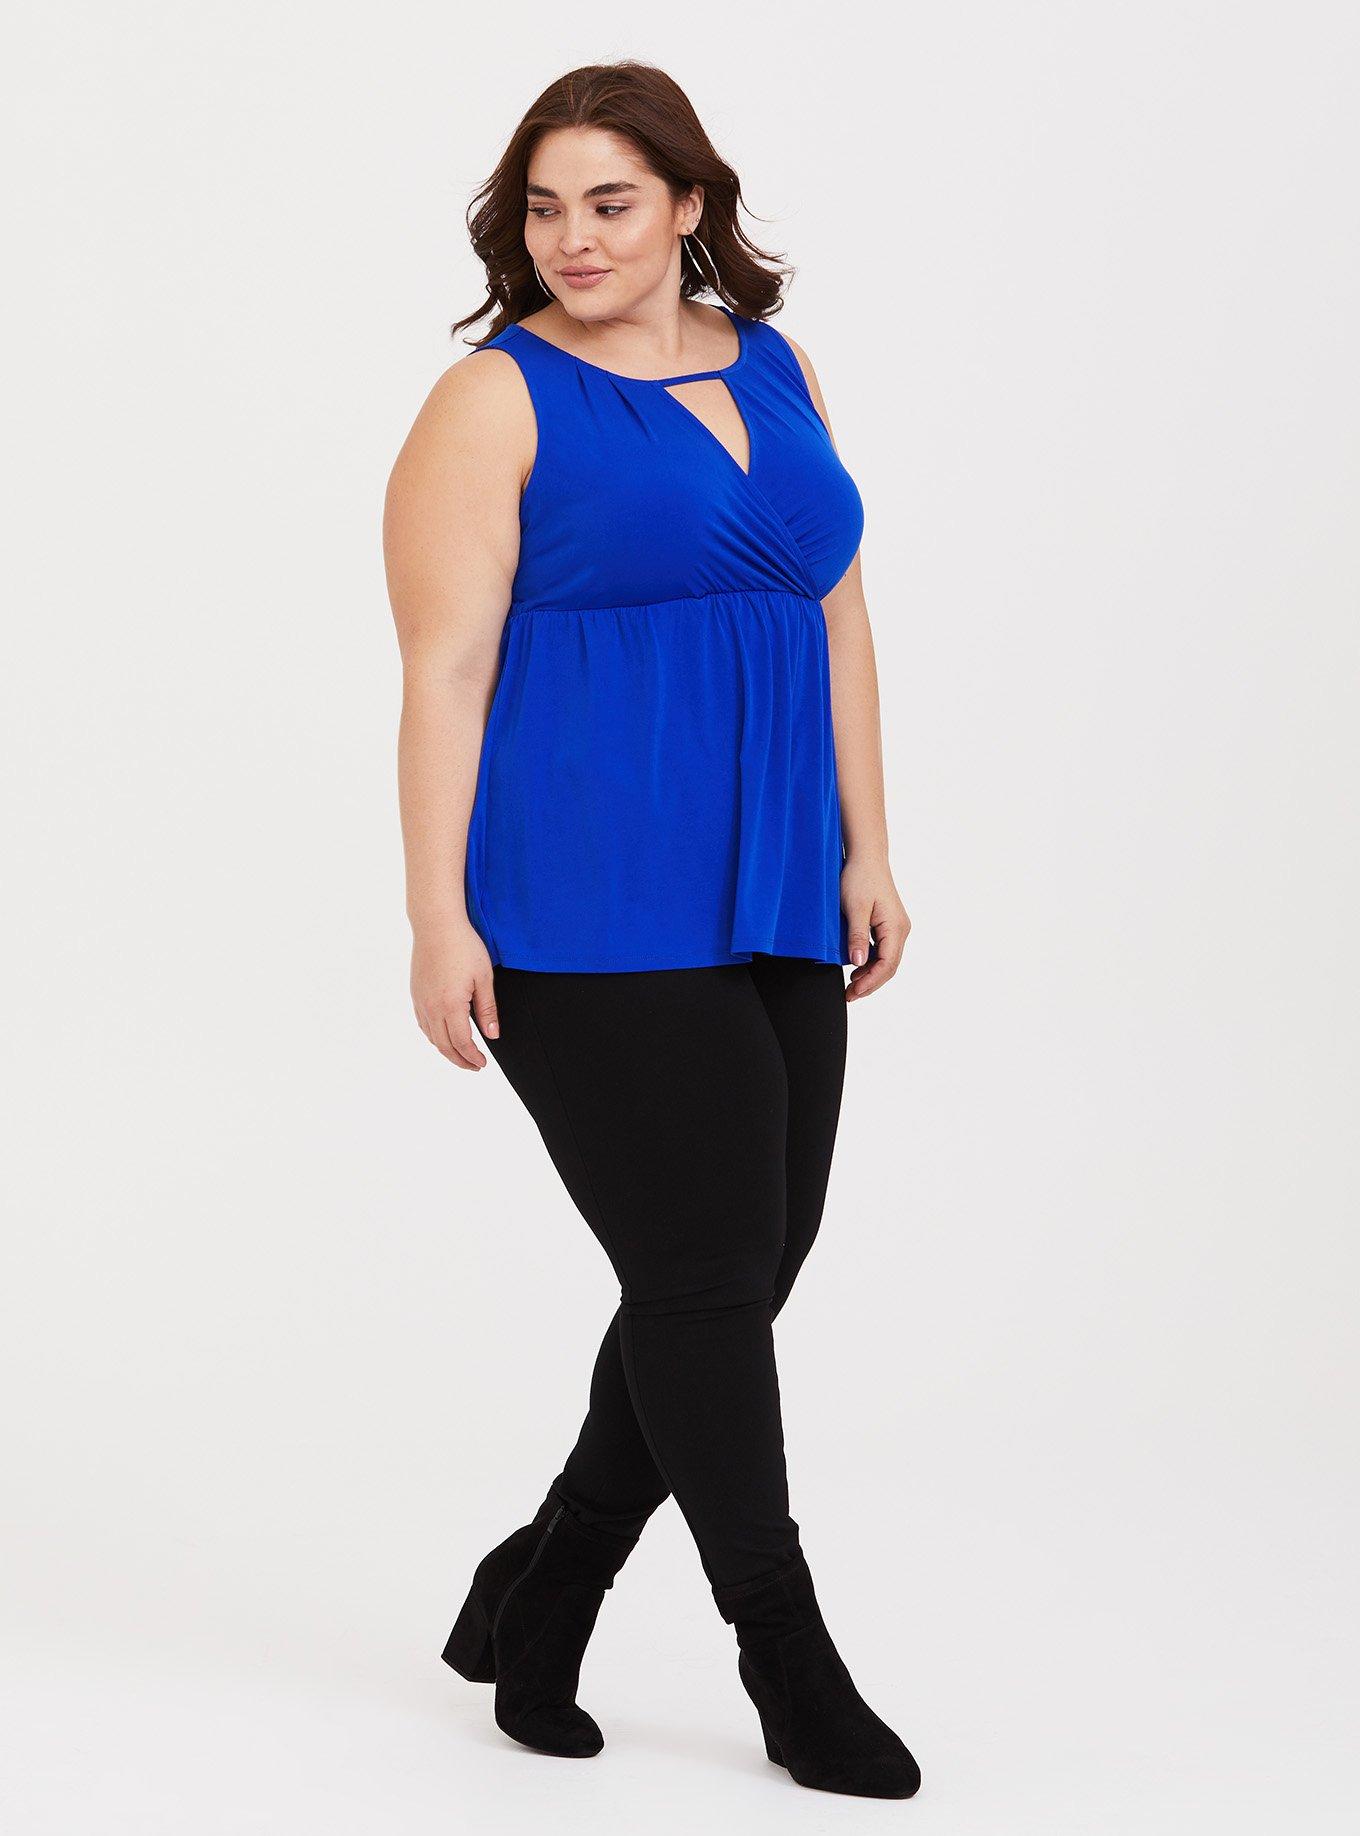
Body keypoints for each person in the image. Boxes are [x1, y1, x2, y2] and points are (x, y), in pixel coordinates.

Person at [383, 61, 918, 1800]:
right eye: (544, 208)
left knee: (744, 1267)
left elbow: (835, 613)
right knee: (701, 1278)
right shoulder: (494, 400)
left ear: (689, 205)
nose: (575, 238)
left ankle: (544, 1589)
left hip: (773, 871)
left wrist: (868, 847)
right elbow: (443, 672)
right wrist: (436, 917)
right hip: (585, 886)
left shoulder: (778, 365)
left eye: (610, 202)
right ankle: (785, 1652)